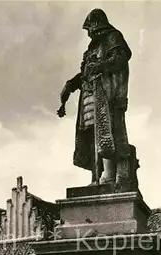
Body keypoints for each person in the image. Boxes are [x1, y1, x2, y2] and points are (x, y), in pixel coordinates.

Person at [57, 9, 137, 191]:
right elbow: (85, 72)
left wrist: (102, 65)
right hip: (89, 95)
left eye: (89, 29)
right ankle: (97, 174)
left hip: (106, 92)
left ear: (96, 24)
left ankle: (110, 173)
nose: (89, 34)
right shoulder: (92, 47)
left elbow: (120, 58)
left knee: (106, 131)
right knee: (92, 133)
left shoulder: (113, 37)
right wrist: (71, 84)